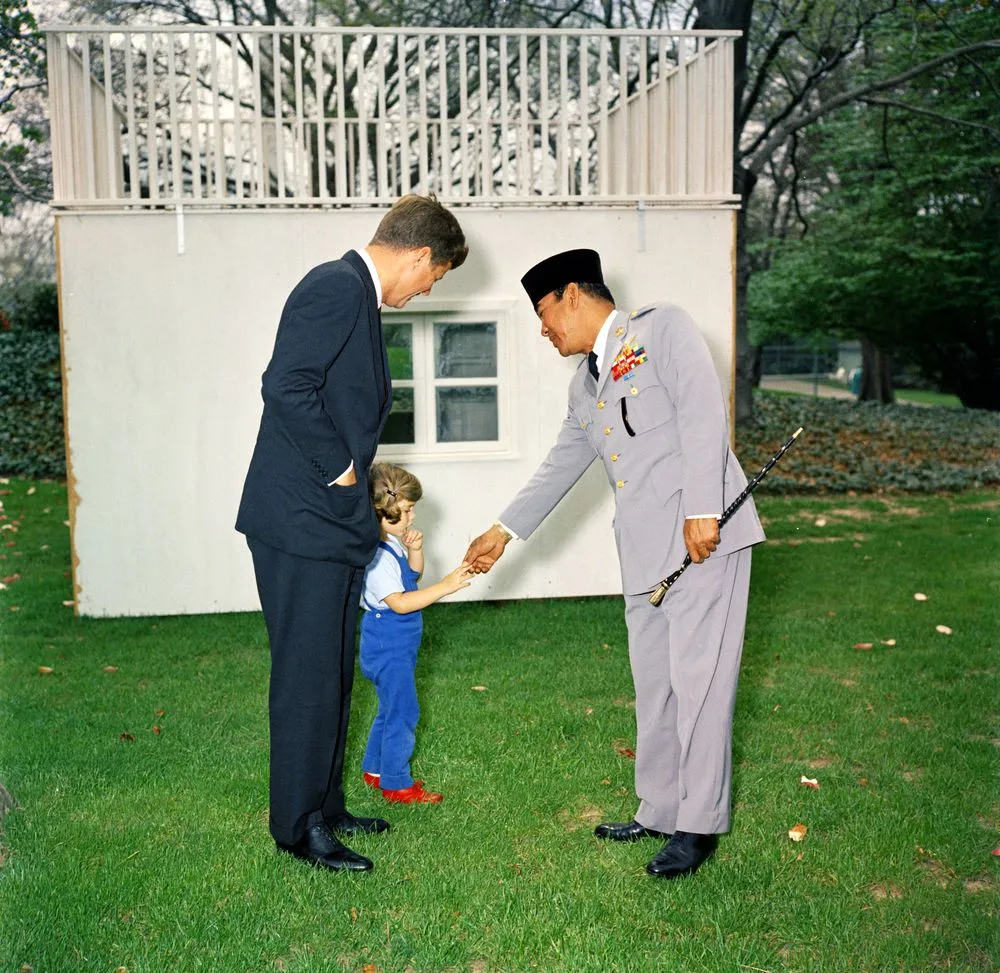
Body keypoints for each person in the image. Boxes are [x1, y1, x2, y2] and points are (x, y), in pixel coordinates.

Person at [464, 249, 765, 880]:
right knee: (655, 683)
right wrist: (502, 530)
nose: (544, 332)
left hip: (702, 541)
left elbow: (706, 415)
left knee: (701, 685)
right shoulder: (585, 385)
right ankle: (658, 808)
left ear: (572, 294)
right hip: (643, 556)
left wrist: (706, 510)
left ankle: (698, 825)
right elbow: (561, 465)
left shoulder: (662, 330)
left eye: (545, 316)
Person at [236, 195, 468, 873]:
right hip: (299, 522)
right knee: (307, 678)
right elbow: (285, 385)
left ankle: (325, 806)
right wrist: (343, 470)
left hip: (329, 527)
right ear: (421, 254)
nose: (428, 288)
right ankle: (296, 825)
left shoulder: (355, 299)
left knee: (335, 673)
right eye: (437, 276)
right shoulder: (335, 286)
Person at [358, 463, 473, 804]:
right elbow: (402, 602)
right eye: (406, 511)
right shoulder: (376, 560)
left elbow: (411, 577)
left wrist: (415, 550)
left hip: (395, 645)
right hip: (387, 644)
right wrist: (445, 587)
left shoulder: (390, 545)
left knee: (389, 708)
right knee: (404, 711)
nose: (412, 516)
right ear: (381, 514)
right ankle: (396, 784)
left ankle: (375, 769)